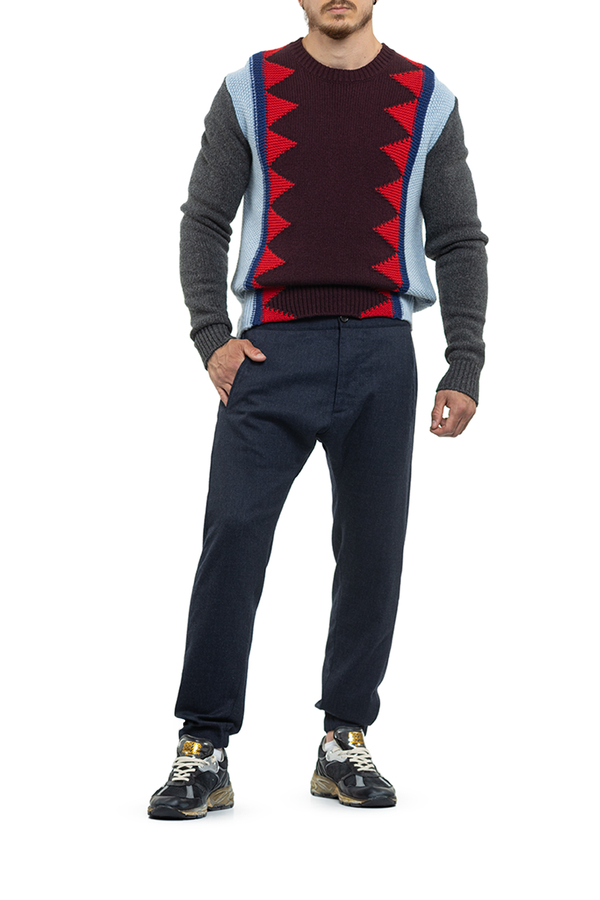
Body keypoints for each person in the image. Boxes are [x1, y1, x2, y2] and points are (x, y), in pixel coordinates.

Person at [148, 0, 488, 819]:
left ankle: (344, 739)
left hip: (382, 350)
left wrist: (465, 360)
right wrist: (211, 335)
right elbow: (204, 220)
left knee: (373, 549)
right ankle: (203, 746)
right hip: (270, 353)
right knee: (233, 536)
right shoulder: (251, 89)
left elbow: (458, 238)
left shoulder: (426, 97)